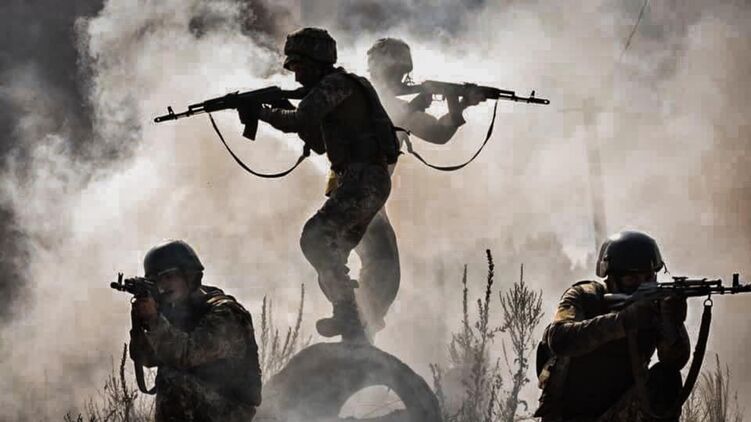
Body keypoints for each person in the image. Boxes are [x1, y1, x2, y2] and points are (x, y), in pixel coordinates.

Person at [239, 27, 399, 342]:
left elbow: (299, 120)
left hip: (363, 178)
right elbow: (317, 139)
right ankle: (353, 322)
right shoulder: (335, 89)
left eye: (300, 67)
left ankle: (348, 313)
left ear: (316, 62)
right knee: (331, 252)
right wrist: (276, 109)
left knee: (315, 238)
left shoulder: (336, 84)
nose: (297, 76)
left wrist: (263, 112)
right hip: (361, 179)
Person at [337, 38, 485, 339]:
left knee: (383, 269)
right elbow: (380, 123)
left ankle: (360, 328)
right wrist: (416, 104)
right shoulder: (362, 96)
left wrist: (458, 107)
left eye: (402, 73)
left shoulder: (395, 104)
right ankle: (356, 327)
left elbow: (438, 134)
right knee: (382, 266)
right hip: (354, 192)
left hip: (370, 196)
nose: (400, 79)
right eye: (394, 72)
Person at [534, 230, 691, 422]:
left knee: (667, 379)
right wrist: (623, 321)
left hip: (620, 411)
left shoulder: (653, 305)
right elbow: (560, 339)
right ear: (612, 278)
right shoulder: (585, 297)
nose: (642, 285)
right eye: (632, 279)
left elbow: (675, 361)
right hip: (570, 415)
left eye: (648, 278)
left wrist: (672, 323)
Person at [129, 240, 262, 422]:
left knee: (173, 379)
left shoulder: (226, 313)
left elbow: (187, 354)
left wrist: (155, 320)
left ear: (189, 276)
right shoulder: (177, 312)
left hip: (231, 410)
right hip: (204, 406)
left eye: (170, 277)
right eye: (157, 280)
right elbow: (148, 358)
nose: (163, 285)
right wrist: (143, 322)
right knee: (169, 373)